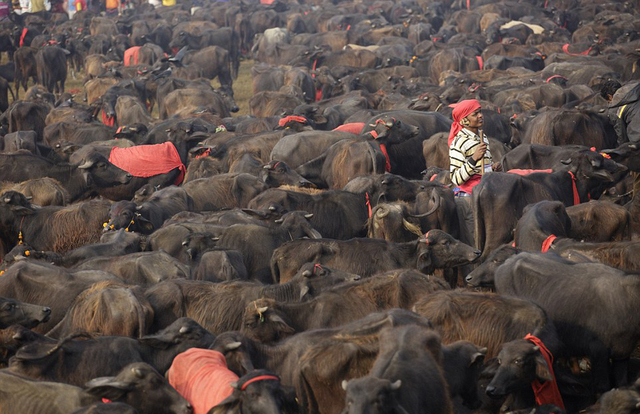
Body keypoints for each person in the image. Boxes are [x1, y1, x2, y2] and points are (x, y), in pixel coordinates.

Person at [448, 99, 501, 244]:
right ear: (464, 120)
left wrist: (492, 168)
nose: (480, 116)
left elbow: (483, 168)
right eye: (475, 114)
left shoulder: (482, 137)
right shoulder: (458, 143)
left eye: (480, 112)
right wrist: (473, 159)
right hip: (469, 198)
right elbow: (456, 178)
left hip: (486, 191)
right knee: (475, 241)